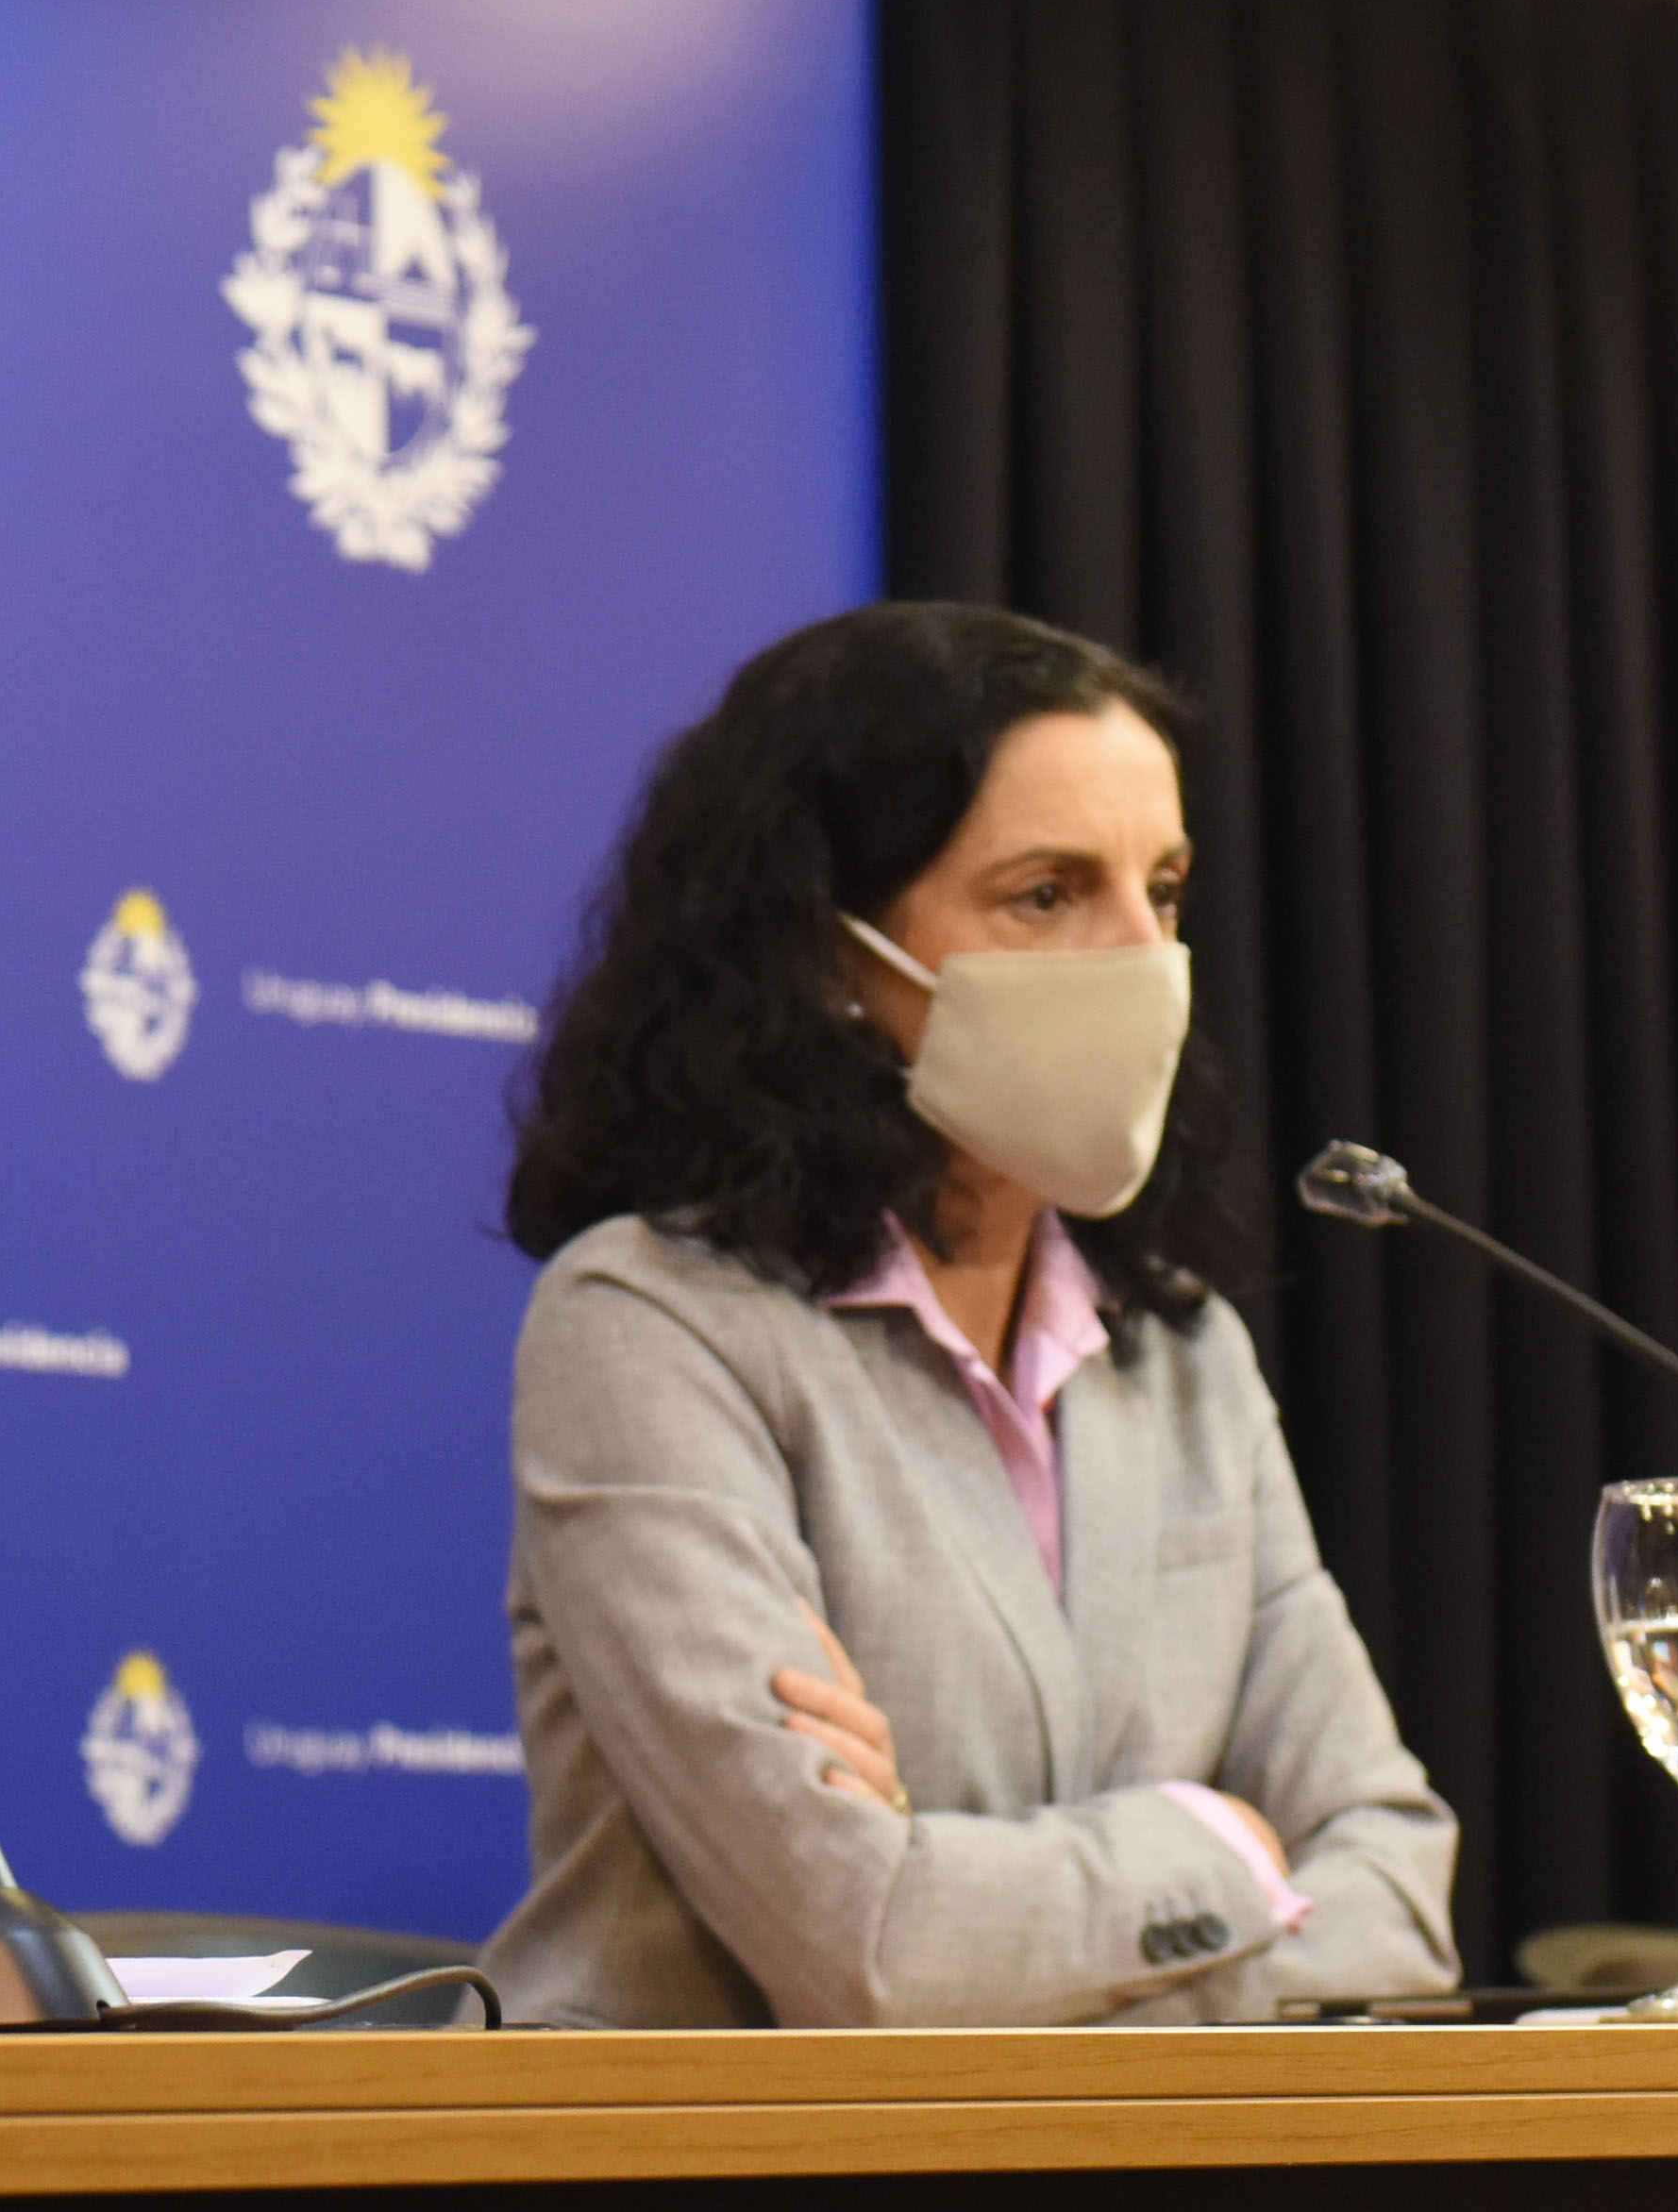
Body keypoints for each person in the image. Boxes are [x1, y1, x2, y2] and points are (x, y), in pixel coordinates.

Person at [480, 605, 1457, 2027]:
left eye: (1165, 890)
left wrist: (1004, 1923)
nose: (1145, 961)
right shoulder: (649, 1324)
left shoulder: (1186, 1360)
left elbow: (1398, 1882)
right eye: (1049, 893)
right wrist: (1227, 1845)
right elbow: (868, 1947)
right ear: (831, 953)